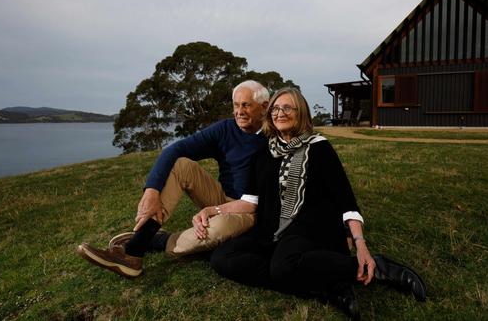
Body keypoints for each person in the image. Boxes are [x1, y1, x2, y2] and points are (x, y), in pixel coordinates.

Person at [199, 88, 426, 320]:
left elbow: (346, 202)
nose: (280, 113)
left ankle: (378, 267)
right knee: (223, 258)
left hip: (312, 229)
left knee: (281, 266)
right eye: (276, 109)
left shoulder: (319, 148)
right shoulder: (263, 152)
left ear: (301, 113)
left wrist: (360, 244)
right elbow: (250, 202)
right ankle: (326, 287)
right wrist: (213, 210)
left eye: (287, 108)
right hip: (270, 231)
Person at [76, 80, 270, 278]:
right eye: (236, 105)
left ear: (264, 107)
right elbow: (175, 150)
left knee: (217, 229)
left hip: (252, 211)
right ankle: (133, 253)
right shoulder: (226, 129)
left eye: (246, 105)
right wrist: (152, 190)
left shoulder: (276, 136)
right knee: (181, 165)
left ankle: (159, 240)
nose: (239, 111)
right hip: (222, 197)